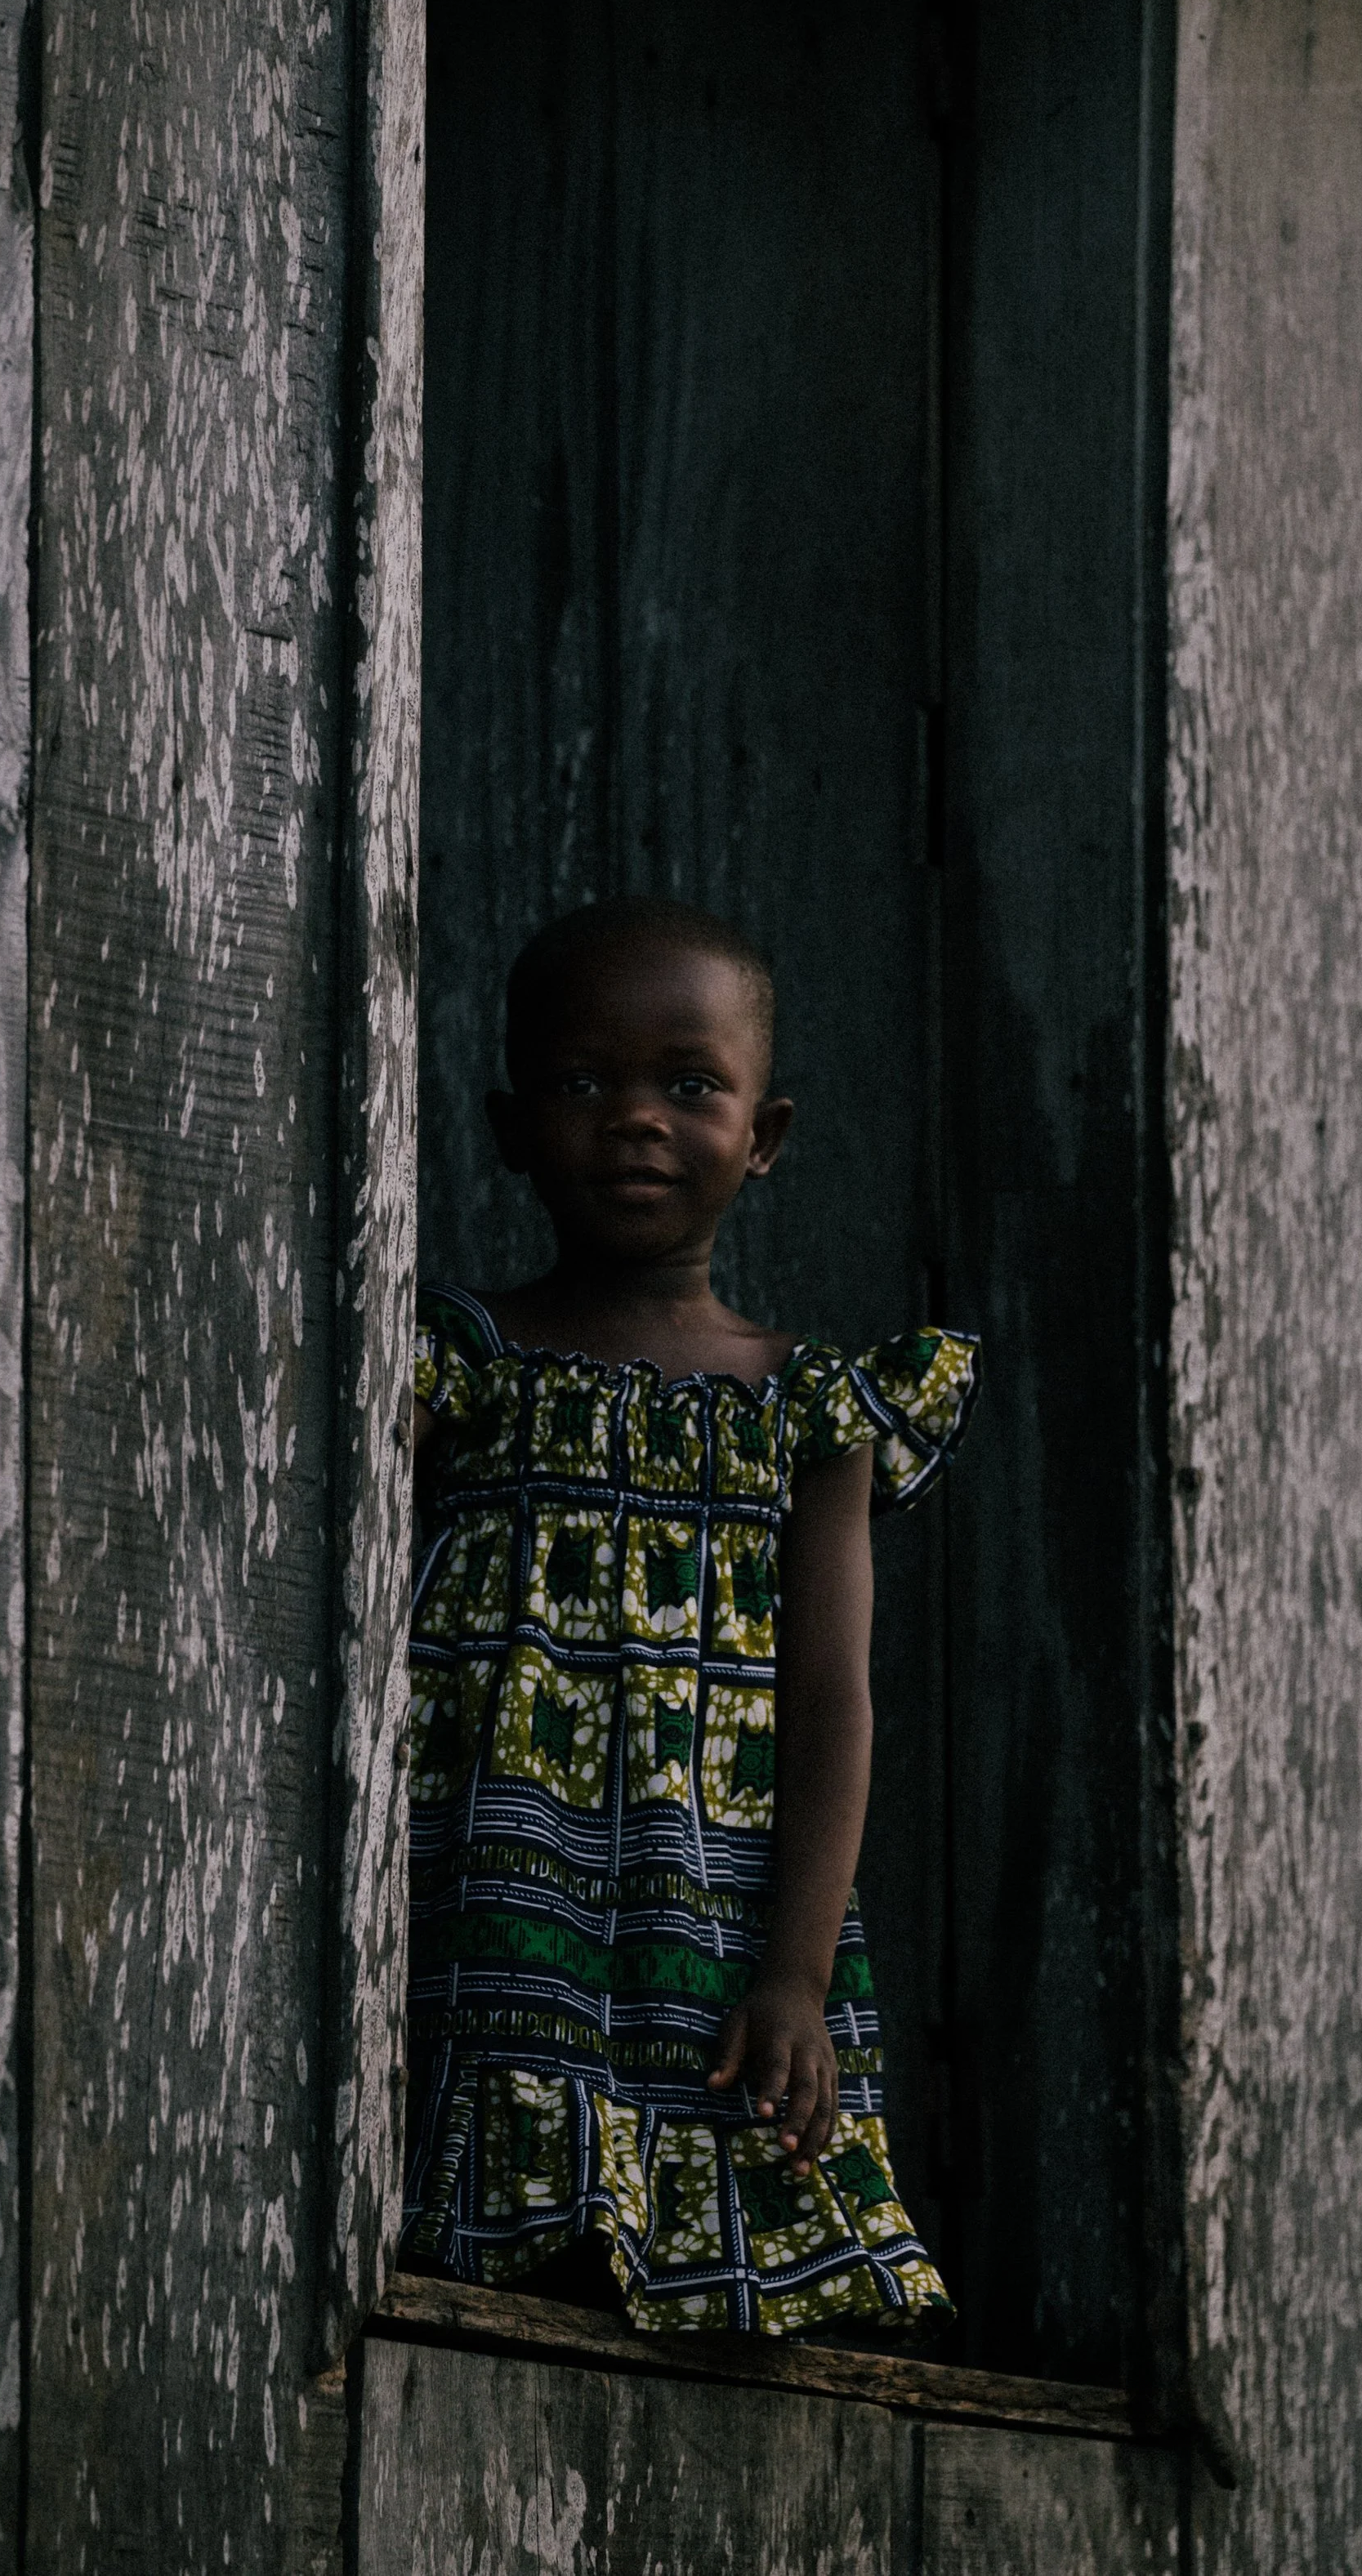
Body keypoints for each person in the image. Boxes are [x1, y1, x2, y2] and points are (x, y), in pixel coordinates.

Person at [398, 895, 979, 2336]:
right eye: (585, 1083)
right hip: (501, 1877)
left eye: (690, 1084)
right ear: (511, 1124)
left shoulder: (812, 1408)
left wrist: (792, 1963)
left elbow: (834, 1697)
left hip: (712, 1906)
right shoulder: (451, 1366)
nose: (638, 1119)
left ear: (764, 1136)